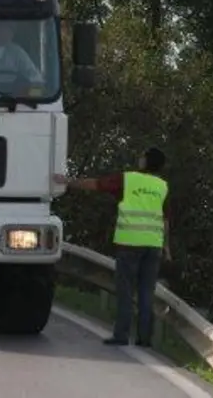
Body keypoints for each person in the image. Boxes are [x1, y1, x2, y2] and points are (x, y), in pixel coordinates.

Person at [55, 147, 172, 347]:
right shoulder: (162, 186)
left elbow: (96, 184)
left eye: (142, 156)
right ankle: (145, 338)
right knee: (146, 292)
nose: (139, 157)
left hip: (129, 243)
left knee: (125, 290)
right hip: (153, 245)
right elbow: (165, 220)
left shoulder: (128, 179)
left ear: (145, 162)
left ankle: (121, 335)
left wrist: (68, 181)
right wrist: (166, 247)